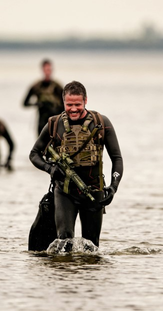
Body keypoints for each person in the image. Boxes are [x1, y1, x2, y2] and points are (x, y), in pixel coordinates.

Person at [29, 81, 123, 251]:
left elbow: (117, 158)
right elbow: (34, 154)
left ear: (85, 100)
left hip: (94, 191)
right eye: (69, 104)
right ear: (63, 102)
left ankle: (87, 277)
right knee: (64, 241)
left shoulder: (101, 123)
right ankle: (65, 276)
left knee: (91, 246)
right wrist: (50, 168)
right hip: (64, 192)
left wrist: (113, 187)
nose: (73, 109)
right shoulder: (53, 124)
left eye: (77, 104)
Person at [23, 59, 64, 135]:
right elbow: (24, 103)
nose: (47, 72)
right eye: (46, 70)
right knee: (41, 145)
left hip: (55, 122)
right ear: (42, 70)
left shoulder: (57, 86)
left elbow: (65, 104)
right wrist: (37, 104)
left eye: (49, 69)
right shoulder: (36, 86)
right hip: (42, 121)